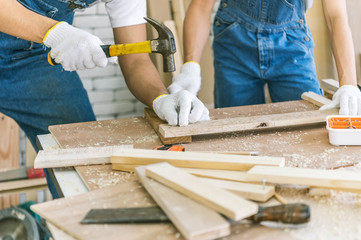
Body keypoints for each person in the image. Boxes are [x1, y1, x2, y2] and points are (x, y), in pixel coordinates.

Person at [0, 0, 209, 198]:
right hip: (43, 39)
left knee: (82, 168)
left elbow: (135, 60)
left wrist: (161, 98)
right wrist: (55, 33)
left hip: (36, 63)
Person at [168, 0, 361, 115]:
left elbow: (336, 16)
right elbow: (201, 5)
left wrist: (349, 85)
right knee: (235, 132)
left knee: (308, 122)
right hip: (235, 46)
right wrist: (190, 67)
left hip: (291, 46)